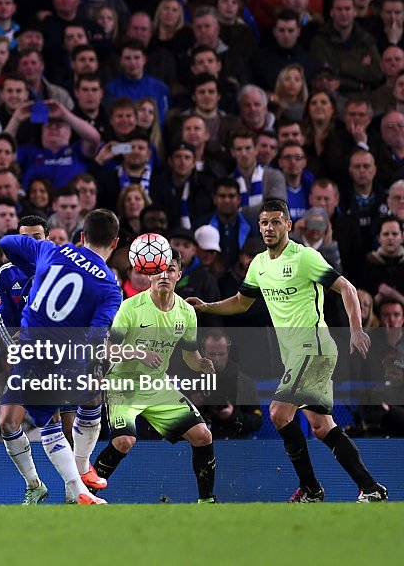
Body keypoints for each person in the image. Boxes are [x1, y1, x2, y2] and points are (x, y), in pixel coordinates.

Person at [189, 198, 389, 502]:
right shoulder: (258, 264)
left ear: (288, 225)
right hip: (296, 354)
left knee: (278, 413)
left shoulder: (305, 257)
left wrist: (356, 328)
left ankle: (310, 488)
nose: (269, 228)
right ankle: (370, 486)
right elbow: (242, 301)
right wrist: (207, 306)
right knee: (322, 426)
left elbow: (346, 288)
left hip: (314, 347)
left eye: (275, 222)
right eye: (264, 223)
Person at [0, 209, 127, 506]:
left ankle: (77, 486)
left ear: (81, 236)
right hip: (66, 356)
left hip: (31, 351)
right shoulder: (109, 287)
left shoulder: (51, 251)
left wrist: (32, 263)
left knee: (46, 424)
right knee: (91, 397)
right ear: (115, 243)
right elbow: (96, 336)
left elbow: (6, 241)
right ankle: (82, 472)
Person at [91, 253, 218, 503]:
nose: (164, 275)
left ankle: (207, 501)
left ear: (178, 275)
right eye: (158, 271)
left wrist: (202, 364)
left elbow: (190, 356)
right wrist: (138, 352)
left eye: (170, 270)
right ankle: (84, 496)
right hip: (123, 384)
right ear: (149, 275)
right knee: (124, 441)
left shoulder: (186, 312)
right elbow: (107, 349)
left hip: (157, 385)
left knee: (203, 435)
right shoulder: (130, 307)